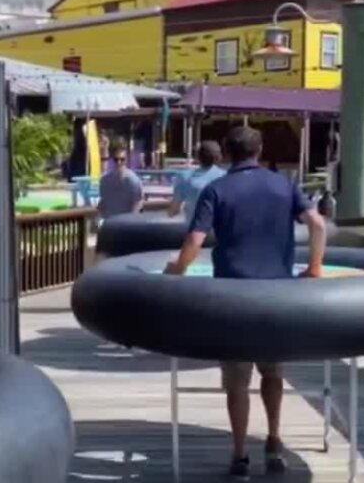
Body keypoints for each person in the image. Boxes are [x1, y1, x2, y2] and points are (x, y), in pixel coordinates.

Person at [163, 126, 327, 480]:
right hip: (276, 298)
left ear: (226, 152)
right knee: (273, 373)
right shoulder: (284, 185)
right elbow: (316, 222)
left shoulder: (216, 189)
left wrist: (177, 269)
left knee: (237, 381)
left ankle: (240, 455)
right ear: (260, 149)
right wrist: (314, 267)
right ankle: (273, 440)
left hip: (233, 299)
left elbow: (195, 238)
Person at [168, 140, 226, 222]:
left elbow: (174, 211)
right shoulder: (226, 176)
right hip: (219, 230)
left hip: (193, 229)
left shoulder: (184, 176)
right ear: (219, 157)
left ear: (198, 157)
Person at [96, 147, 143, 219]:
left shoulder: (134, 181)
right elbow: (103, 202)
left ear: (126, 160)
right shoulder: (104, 181)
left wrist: (131, 221)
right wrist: (98, 218)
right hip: (109, 224)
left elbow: (138, 203)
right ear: (112, 160)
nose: (119, 162)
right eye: (116, 159)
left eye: (122, 159)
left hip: (125, 224)